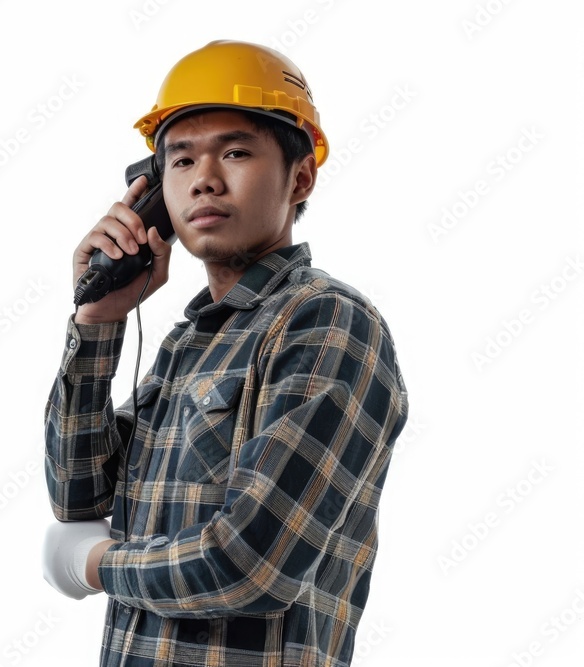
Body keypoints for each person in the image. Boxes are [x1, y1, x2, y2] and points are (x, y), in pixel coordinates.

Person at [41, 40, 409, 666]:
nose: (205, 178)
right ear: (153, 190)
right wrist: (97, 321)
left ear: (300, 177)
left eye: (235, 152)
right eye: (180, 161)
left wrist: (96, 564)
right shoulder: (189, 344)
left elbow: (251, 564)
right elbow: (79, 497)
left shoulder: (326, 324)